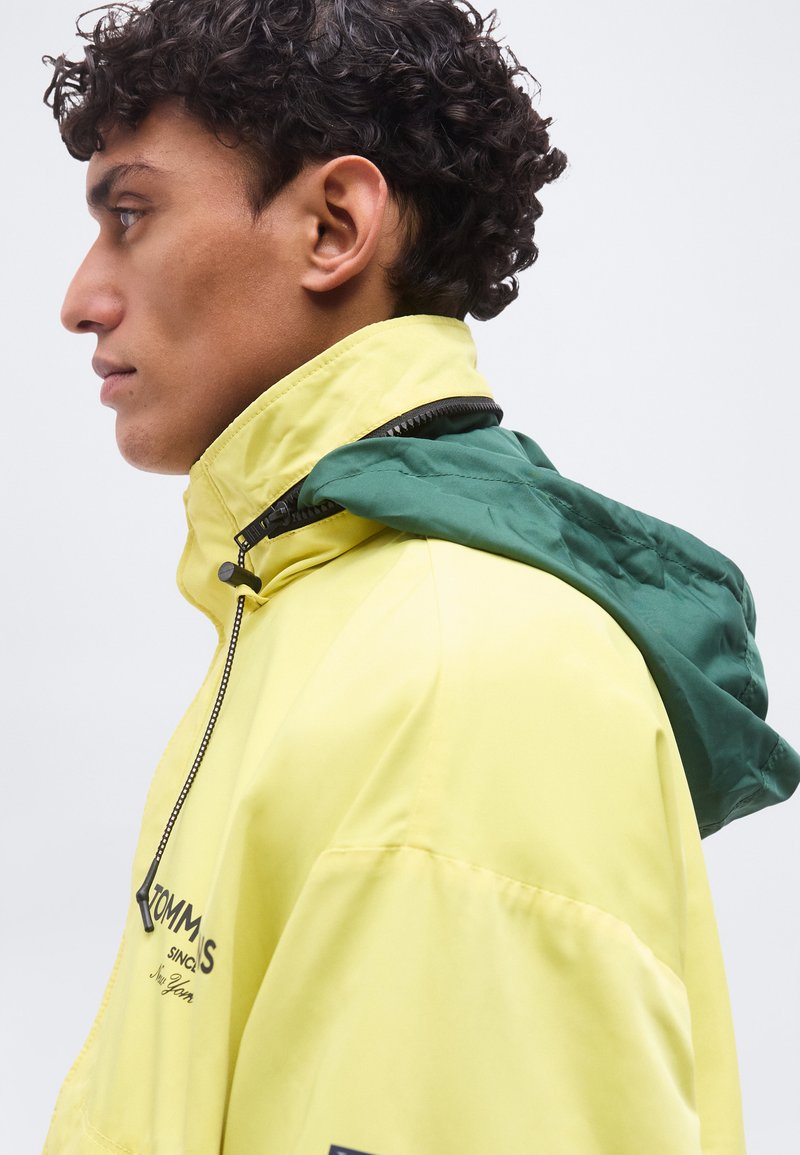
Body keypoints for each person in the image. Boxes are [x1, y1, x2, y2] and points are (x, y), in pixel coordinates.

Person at [41, 1, 798, 1153]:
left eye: (131, 216)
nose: (80, 299)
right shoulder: (302, 606)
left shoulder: (459, 679)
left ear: (334, 226)